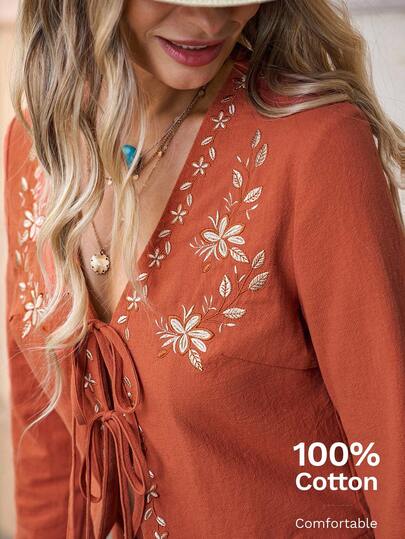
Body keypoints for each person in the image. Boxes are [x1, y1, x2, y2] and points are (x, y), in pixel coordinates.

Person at [3, 0, 405, 537]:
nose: (211, 21)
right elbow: (47, 447)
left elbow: (394, 453)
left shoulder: (315, 148)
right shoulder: (37, 145)